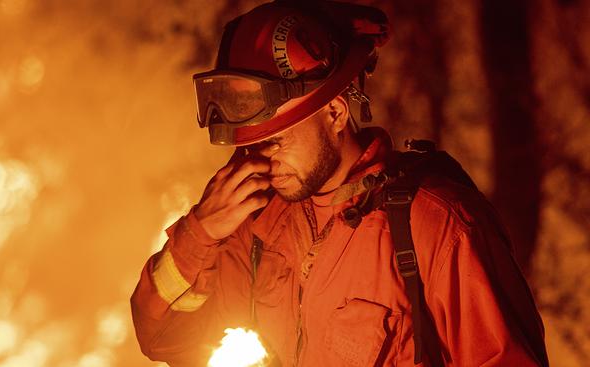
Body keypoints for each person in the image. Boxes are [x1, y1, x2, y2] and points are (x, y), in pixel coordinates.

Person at [130, 1, 549, 366]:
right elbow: (163, 339)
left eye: (275, 140)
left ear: (334, 113)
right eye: (251, 145)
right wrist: (200, 233)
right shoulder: (259, 227)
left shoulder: (437, 228)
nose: (258, 161)